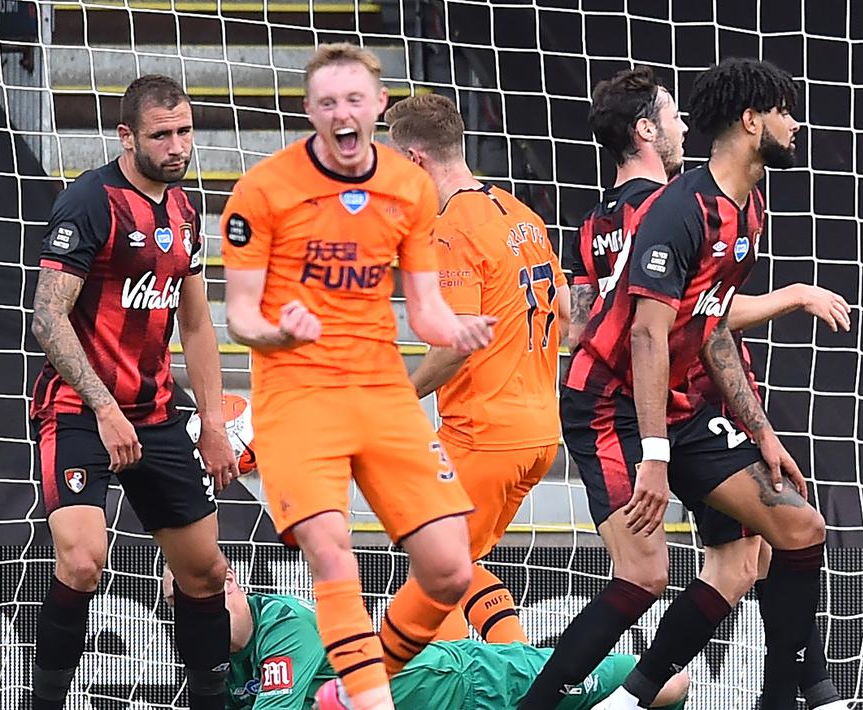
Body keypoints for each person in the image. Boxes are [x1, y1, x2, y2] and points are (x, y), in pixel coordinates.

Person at [519, 58, 827, 710]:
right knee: (646, 573)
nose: (795, 124)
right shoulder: (674, 209)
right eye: (784, 110)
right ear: (751, 120)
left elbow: (710, 330)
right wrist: (653, 460)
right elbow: (642, 335)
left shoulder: (747, 210)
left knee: (798, 530)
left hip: (678, 400)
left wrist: (761, 433)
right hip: (609, 404)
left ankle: (779, 698)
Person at [220, 43, 495, 710]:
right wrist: (277, 331)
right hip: (296, 395)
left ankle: (352, 689)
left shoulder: (407, 187)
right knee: (333, 554)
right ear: (310, 112)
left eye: (353, 100)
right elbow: (238, 318)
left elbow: (424, 307)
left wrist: (452, 329)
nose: (342, 114)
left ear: (377, 104)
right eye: (327, 103)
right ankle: (374, 704)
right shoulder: (262, 191)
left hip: (378, 390)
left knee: (449, 569)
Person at [28, 75, 238, 710]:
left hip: (155, 413)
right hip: (80, 408)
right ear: (127, 136)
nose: (177, 147)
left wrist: (214, 422)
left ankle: (210, 701)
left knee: (205, 574)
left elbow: (197, 323)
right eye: (161, 135)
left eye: (185, 132)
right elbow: (47, 317)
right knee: (84, 559)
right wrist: (103, 407)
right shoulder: (90, 202)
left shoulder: (185, 210)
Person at [383, 93, 570, 645]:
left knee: (431, 578)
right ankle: (518, 665)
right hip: (538, 433)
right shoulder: (520, 214)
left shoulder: (450, 229)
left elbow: (458, 343)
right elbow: (567, 310)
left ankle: (476, 690)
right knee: (458, 564)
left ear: (415, 162)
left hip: (483, 434)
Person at [159, 566, 689, 710]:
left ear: (231, 582)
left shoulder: (284, 623)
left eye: (200, 601)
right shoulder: (216, 669)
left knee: (664, 686)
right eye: (179, 610)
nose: (195, 618)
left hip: (475, 685)